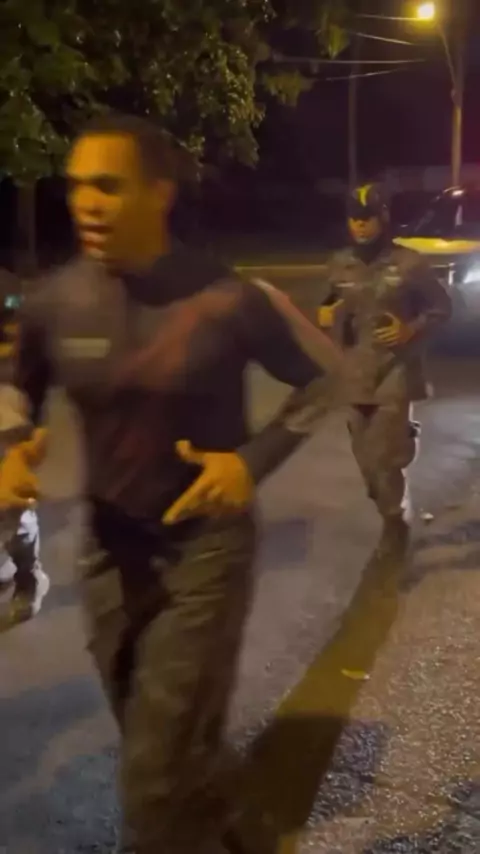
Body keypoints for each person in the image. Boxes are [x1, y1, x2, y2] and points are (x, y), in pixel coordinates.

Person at [0, 113, 345, 853]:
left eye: (108, 185)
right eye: (77, 186)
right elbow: (17, 386)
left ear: (158, 193)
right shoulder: (55, 301)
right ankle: (243, 828)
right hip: (109, 553)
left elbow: (328, 380)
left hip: (204, 555)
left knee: (154, 781)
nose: (86, 203)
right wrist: (11, 448)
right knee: (158, 736)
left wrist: (250, 462)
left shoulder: (228, 299)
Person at [315, 182, 452, 549]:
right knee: (365, 460)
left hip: (395, 371)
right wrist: (327, 315)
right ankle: (396, 458)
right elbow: (333, 303)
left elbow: (442, 307)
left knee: (381, 457)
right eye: (354, 218)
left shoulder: (409, 263)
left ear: (384, 218)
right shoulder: (340, 263)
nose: (360, 225)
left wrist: (411, 329)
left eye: (368, 217)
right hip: (354, 373)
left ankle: (394, 521)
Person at [0, 272, 49, 624]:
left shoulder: (7, 287)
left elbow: (24, 339)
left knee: (12, 509)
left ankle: (28, 579)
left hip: (7, 414)